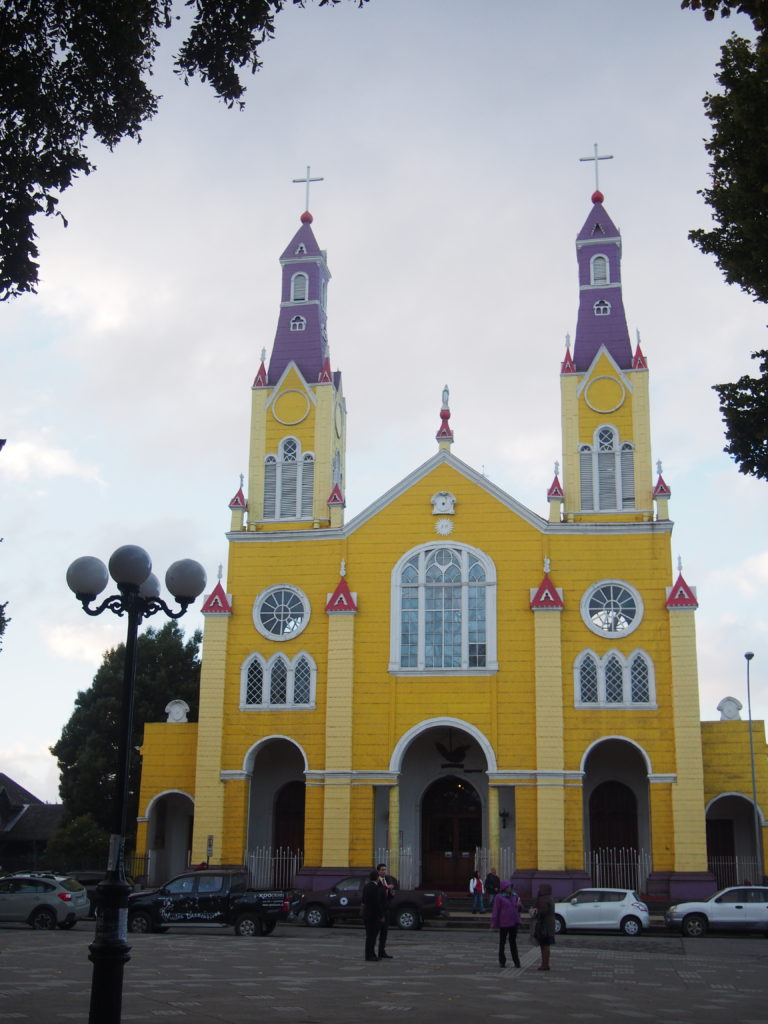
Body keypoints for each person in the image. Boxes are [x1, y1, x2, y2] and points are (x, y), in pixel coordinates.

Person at [490, 879, 522, 967]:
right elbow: (496, 910)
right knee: (502, 942)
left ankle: (517, 962)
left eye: (510, 886)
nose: (510, 888)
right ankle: (502, 961)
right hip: (504, 923)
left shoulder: (514, 895)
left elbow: (519, 908)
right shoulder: (499, 897)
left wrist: (519, 906)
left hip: (513, 922)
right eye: (508, 887)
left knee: (513, 942)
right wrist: (493, 923)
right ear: (504, 888)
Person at [362, 869, 386, 961]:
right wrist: (381, 915)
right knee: (372, 937)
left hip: (366, 914)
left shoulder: (366, 886)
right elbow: (377, 903)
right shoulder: (375, 888)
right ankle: (370, 955)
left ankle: (370, 954)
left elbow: (363, 900)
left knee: (369, 936)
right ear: (377, 878)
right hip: (373, 916)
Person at [376, 862, 398, 959]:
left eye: (385, 870)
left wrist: (391, 891)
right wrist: (385, 888)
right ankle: (372, 952)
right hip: (378, 909)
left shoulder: (388, 879)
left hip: (386, 909)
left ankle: (382, 951)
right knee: (375, 932)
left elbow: (391, 891)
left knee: (384, 932)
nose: (384, 871)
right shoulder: (376, 881)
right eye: (382, 870)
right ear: (378, 871)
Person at [532, 883, 556, 971]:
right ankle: (545, 963)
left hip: (544, 925)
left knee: (544, 945)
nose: (538, 890)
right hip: (549, 924)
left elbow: (542, 911)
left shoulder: (544, 899)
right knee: (546, 944)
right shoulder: (550, 898)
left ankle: (545, 964)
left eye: (540, 889)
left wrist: (534, 913)